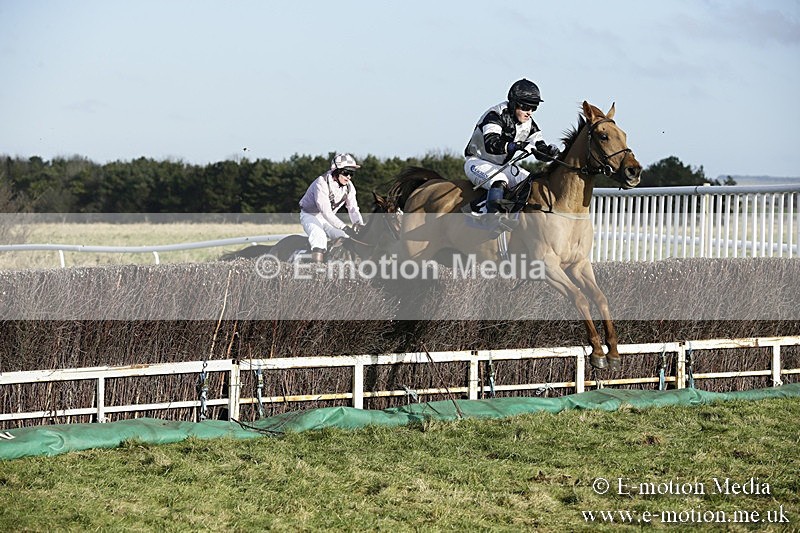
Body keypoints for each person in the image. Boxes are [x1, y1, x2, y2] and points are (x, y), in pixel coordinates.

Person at [464, 78, 560, 216]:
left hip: (501, 165)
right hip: (477, 162)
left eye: (534, 108)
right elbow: (492, 144)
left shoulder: (529, 124)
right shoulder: (495, 115)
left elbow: (539, 149)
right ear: (514, 104)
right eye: (526, 108)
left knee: (529, 182)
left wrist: (550, 152)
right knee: (499, 180)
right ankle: (491, 220)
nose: (530, 112)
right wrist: (517, 146)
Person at [299, 153, 365, 263]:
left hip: (328, 219)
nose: (349, 177)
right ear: (336, 171)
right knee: (319, 237)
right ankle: (317, 271)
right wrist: (344, 227)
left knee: (344, 237)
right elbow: (326, 212)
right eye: (346, 172)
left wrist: (359, 225)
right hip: (310, 216)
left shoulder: (349, 187)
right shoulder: (321, 183)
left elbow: (353, 209)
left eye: (351, 173)